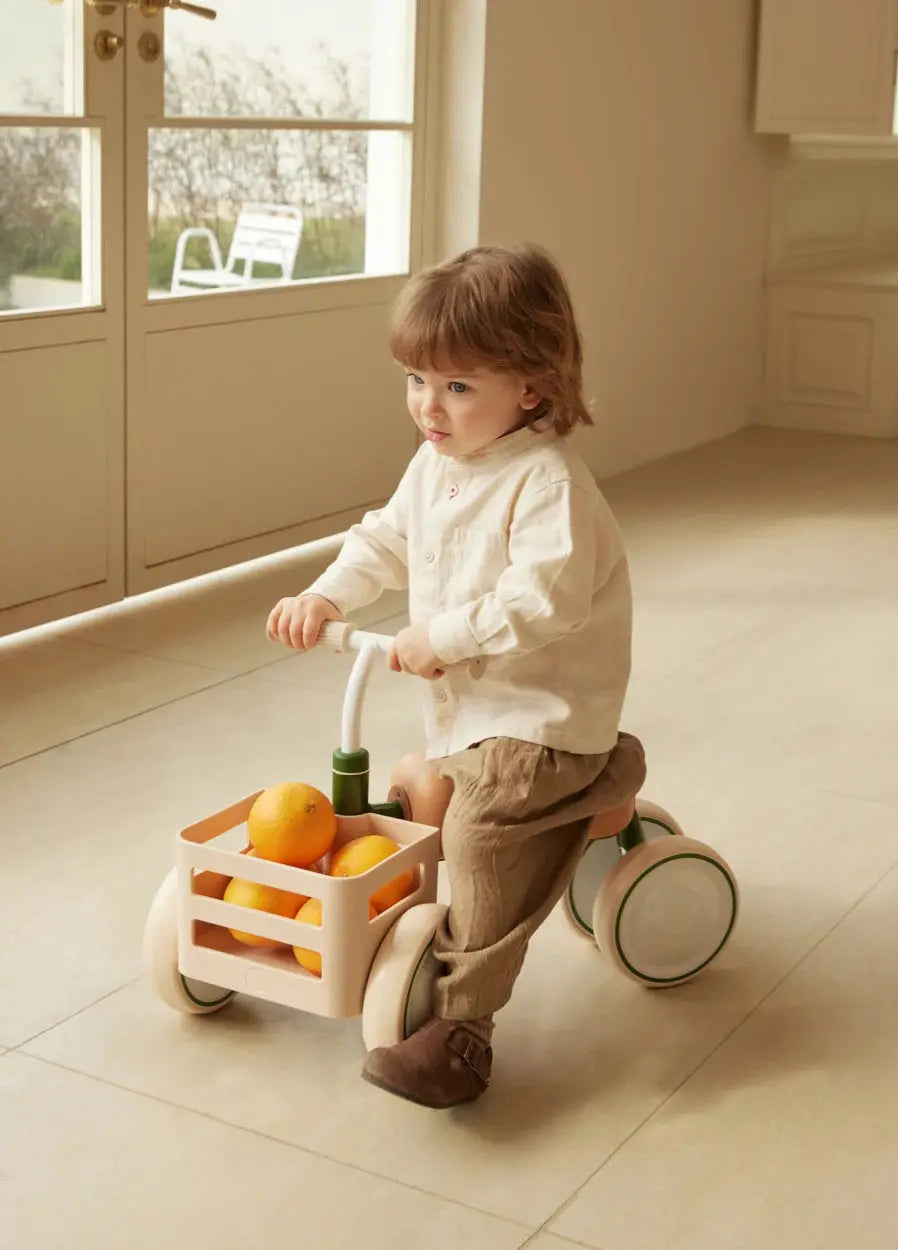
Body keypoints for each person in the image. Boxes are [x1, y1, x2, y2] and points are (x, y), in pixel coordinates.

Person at [266, 244, 645, 1108]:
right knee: (419, 792)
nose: (428, 408)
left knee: (476, 837)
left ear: (532, 388)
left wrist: (440, 638)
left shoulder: (548, 484)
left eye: (458, 387)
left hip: (542, 720)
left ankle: (464, 1028)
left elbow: (543, 601)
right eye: (415, 380)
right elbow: (385, 540)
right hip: (475, 714)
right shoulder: (436, 465)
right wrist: (325, 596)